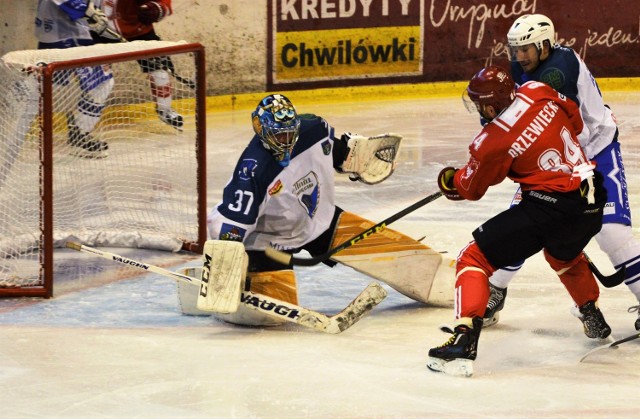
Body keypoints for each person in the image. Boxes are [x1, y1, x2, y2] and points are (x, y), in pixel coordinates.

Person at [176, 93, 447, 326]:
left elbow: (340, 152)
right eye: (278, 134)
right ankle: (249, 280)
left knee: (407, 257)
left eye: (289, 131)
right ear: (261, 130)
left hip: (320, 220)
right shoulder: (253, 171)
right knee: (273, 316)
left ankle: (450, 284)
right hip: (270, 242)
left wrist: (358, 157)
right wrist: (224, 274)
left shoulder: (313, 129)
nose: (285, 140)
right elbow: (229, 231)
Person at [426, 66, 610, 377]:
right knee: (562, 254)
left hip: (550, 207)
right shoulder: (538, 90)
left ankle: (463, 340)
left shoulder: (492, 139)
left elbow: (471, 189)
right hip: (591, 197)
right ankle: (591, 313)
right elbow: (575, 120)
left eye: (478, 104)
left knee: (474, 257)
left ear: (489, 105)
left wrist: (451, 182)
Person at [483, 14, 640, 331]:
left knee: (611, 232)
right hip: (558, 155)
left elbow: (562, 124)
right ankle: (495, 288)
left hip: (594, 152)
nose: (520, 56)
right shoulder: (522, 67)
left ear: (544, 44)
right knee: (521, 223)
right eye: (516, 49)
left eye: (526, 48)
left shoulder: (560, 69)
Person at [35, 0, 120, 158]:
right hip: (66, 36)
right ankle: (80, 135)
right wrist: (89, 10)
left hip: (68, 34)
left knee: (42, 91)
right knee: (102, 83)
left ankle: (79, 134)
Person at [94, 0, 183, 130]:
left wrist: (158, 9)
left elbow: (164, 4)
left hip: (138, 31)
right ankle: (82, 126)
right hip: (100, 32)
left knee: (161, 74)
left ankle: (165, 110)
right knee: (97, 80)